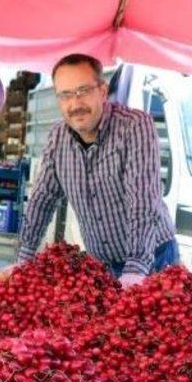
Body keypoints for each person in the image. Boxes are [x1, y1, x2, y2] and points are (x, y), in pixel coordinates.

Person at [17, 53, 178, 288]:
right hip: (101, 266)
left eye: (83, 91)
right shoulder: (58, 137)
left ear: (102, 91)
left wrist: (136, 268)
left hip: (154, 258)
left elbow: (143, 199)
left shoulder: (134, 125)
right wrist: (24, 257)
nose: (75, 104)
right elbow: (42, 199)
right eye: (66, 95)